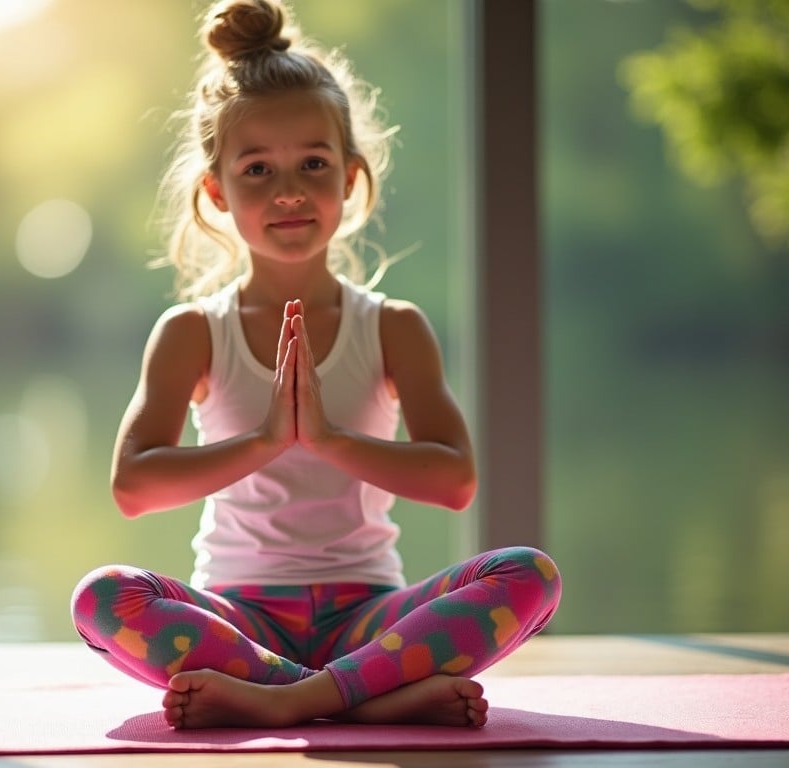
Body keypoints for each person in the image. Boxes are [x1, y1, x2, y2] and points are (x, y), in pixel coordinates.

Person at [71, 0, 561, 730]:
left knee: (531, 575)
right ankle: (370, 696)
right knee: (101, 598)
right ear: (217, 191)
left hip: (371, 615)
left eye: (312, 164)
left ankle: (292, 698)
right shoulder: (193, 331)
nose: (289, 191)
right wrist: (265, 442)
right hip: (240, 618)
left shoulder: (392, 327)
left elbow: (456, 480)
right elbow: (134, 487)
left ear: (351, 178)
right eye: (258, 169)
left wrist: (329, 439)